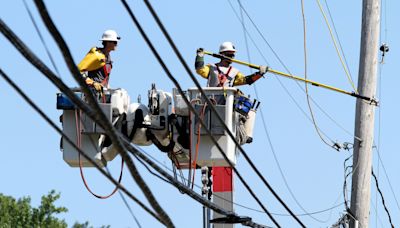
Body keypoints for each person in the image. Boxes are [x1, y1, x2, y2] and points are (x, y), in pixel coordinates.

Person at [195, 41, 267, 87]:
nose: (231, 57)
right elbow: (200, 69)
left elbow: (246, 80)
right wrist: (200, 56)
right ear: (221, 54)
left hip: (228, 102)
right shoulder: (211, 67)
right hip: (212, 100)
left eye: (232, 55)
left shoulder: (234, 72)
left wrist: (260, 74)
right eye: (229, 55)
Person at [78, 29, 120, 96]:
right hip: (92, 94)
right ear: (108, 42)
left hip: (101, 93)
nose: (116, 44)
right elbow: (78, 71)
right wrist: (92, 83)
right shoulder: (97, 55)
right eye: (115, 42)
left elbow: (103, 78)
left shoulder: (108, 57)